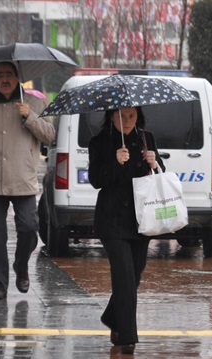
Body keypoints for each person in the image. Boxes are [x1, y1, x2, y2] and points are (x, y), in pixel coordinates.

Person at [0, 61, 54, 300]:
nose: (4, 79)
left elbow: (49, 135)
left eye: (9, 74)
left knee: (28, 227)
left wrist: (30, 116)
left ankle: (21, 265)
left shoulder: (34, 104)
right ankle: (0, 284)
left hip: (23, 178)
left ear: (17, 77)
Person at [88, 106, 164, 355]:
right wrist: (115, 162)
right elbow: (96, 179)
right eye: (122, 116)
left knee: (135, 273)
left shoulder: (146, 138)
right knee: (123, 274)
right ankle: (127, 337)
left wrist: (154, 162)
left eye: (132, 116)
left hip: (141, 220)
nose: (127, 121)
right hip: (112, 221)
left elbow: (158, 173)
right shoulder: (99, 141)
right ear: (111, 116)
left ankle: (113, 316)